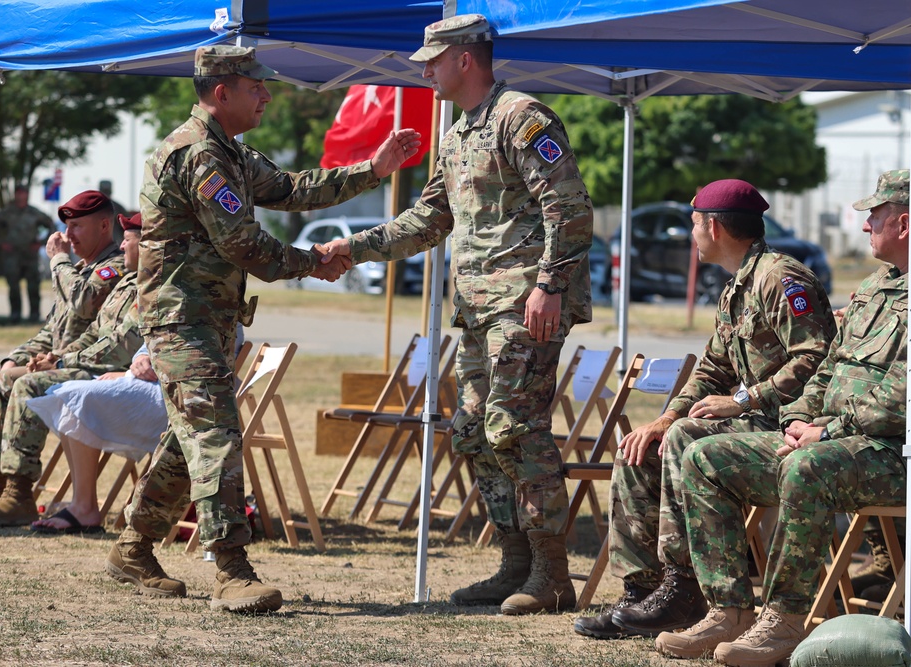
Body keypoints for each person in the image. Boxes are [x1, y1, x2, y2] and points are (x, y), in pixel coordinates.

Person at [104, 44, 419, 613]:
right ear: (222, 91)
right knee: (216, 435)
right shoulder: (200, 155)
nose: (268, 95)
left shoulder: (229, 152)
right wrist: (313, 263)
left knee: (189, 438)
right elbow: (243, 244)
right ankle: (231, 569)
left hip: (208, 318)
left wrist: (372, 171)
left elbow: (293, 190)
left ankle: (133, 546)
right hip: (183, 319)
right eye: (257, 87)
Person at [318, 14, 594, 615]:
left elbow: (570, 210)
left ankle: (552, 574)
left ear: (465, 58)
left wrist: (549, 287)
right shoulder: (459, 132)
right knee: (471, 431)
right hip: (474, 309)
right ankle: (515, 563)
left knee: (514, 427)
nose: (425, 71)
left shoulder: (523, 117)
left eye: (433, 61)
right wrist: (352, 247)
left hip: (525, 304)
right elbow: (428, 220)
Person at [655, 168, 908, 666]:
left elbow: (900, 398)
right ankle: (728, 610)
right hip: (833, 443)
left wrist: (824, 431)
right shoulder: (878, 286)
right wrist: (798, 420)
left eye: (874, 216)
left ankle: (786, 620)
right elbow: (829, 366)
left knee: (805, 468)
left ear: (904, 224)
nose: (864, 227)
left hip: (892, 454)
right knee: (705, 456)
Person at [574, 179, 837, 639]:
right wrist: (664, 417)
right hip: (753, 420)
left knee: (683, 439)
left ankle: (685, 589)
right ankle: (643, 593)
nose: (691, 232)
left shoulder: (781, 277)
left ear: (714, 227)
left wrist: (743, 399)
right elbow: (712, 370)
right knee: (643, 446)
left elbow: (815, 357)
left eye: (694, 223)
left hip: (789, 423)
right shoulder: (738, 286)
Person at [0, 191, 125, 518]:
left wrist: (59, 261)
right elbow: (52, 330)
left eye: (77, 226)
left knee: (16, 383)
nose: (68, 236)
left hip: (95, 368)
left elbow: (85, 301)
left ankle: (18, 491)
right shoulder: (78, 267)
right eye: (66, 227)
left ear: (104, 225)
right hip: (61, 362)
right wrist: (16, 357)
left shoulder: (114, 266)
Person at [27, 342, 166, 534]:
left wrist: (60, 362)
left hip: (187, 392)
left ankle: (82, 506)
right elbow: (151, 340)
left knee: (79, 397)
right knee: (69, 394)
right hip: (152, 379)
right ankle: (82, 504)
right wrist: (139, 360)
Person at [0, 184, 56, 323]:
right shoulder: (7, 212)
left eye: (23, 193)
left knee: (33, 286)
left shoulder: (34, 213)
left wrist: (41, 242)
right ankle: (15, 315)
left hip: (29, 254)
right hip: (12, 254)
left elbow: (51, 225)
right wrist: (2, 243)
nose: (20, 196)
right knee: (13, 286)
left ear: (27, 195)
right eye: (18, 193)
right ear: (15, 195)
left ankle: (34, 315)